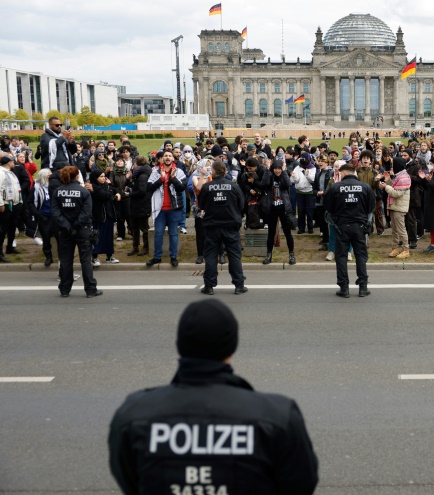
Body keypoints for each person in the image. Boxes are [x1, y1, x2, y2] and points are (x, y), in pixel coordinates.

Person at [108, 300, 318, 494]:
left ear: (180, 345)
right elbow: (300, 485)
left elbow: (130, 482)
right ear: (232, 346)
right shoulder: (278, 417)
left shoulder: (133, 415)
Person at [324, 163, 376, 298]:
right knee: (361, 256)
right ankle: (363, 287)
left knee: (341, 257)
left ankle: (344, 288)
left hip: (342, 227)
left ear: (344, 173)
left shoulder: (335, 187)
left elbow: (328, 207)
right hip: (360, 226)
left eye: (340, 174)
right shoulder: (365, 187)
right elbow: (371, 208)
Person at [50, 166, 101, 298]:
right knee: (85, 260)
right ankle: (90, 289)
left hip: (65, 230)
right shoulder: (84, 192)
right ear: (77, 176)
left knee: (66, 260)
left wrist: (67, 225)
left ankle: (65, 289)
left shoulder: (57, 191)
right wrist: (76, 225)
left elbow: (55, 213)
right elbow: (86, 212)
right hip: (82, 230)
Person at [197, 161, 246, 295]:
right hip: (230, 225)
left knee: (211, 256)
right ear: (225, 171)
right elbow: (242, 204)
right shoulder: (233, 186)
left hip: (212, 226)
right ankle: (239, 285)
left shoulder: (207, 187)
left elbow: (201, 204)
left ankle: (209, 286)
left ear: (213, 171)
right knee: (235, 255)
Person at [146, 152, 187, 267]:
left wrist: (172, 178)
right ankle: (157, 257)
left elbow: (181, 188)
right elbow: (149, 188)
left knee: (173, 233)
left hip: (174, 208)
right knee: (158, 234)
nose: (168, 157)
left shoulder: (179, 172)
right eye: (166, 156)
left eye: (170, 156)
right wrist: (161, 179)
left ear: (173, 158)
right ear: (161, 159)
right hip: (160, 209)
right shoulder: (155, 172)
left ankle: (173, 256)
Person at [259, 159, 296, 265]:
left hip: (283, 207)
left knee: (287, 232)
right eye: (275, 168)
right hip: (272, 207)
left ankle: (292, 254)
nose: (277, 171)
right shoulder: (270, 176)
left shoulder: (283, 177)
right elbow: (264, 184)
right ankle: (269, 254)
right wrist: (267, 170)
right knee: (271, 232)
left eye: (279, 168)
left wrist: (284, 171)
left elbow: (288, 183)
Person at [379, 156, 411, 258]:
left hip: (399, 207)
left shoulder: (404, 178)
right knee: (395, 230)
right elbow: (393, 187)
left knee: (401, 229)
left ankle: (406, 249)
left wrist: (386, 187)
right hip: (394, 206)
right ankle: (395, 248)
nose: (392, 166)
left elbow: (396, 193)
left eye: (394, 165)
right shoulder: (398, 176)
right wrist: (388, 181)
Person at [88, 169, 121, 266]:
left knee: (108, 237)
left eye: (104, 176)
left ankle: (109, 256)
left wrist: (117, 193)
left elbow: (115, 190)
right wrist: (113, 194)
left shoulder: (106, 186)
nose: (103, 178)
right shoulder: (92, 187)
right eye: (101, 176)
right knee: (96, 237)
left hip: (108, 216)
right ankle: (94, 257)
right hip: (97, 216)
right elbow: (103, 195)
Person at [126, 155, 151, 257]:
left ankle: (145, 247)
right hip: (138, 205)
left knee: (143, 228)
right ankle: (136, 246)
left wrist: (129, 194)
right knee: (135, 227)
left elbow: (141, 191)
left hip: (141, 205)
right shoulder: (140, 174)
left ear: (137, 164)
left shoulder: (142, 175)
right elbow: (137, 187)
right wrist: (129, 181)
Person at [30, 169, 55, 267]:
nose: (51, 177)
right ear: (44, 177)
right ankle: (48, 257)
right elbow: (30, 203)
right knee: (46, 238)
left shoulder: (54, 186)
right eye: (49, 175)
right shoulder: (36, 187)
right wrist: (38, 214)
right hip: (44, 216)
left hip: (55, 216)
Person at [0, 155, 22, 261]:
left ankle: (10, 247)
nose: (14, 163)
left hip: (15, 203)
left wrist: (19, 200)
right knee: (2, 229)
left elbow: (16, 187)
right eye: (13, 162)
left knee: (12, 227)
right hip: (6, 204)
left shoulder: (11, 172)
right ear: (9, 162)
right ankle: (0, 252)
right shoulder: (1, 172)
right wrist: (0, 203)